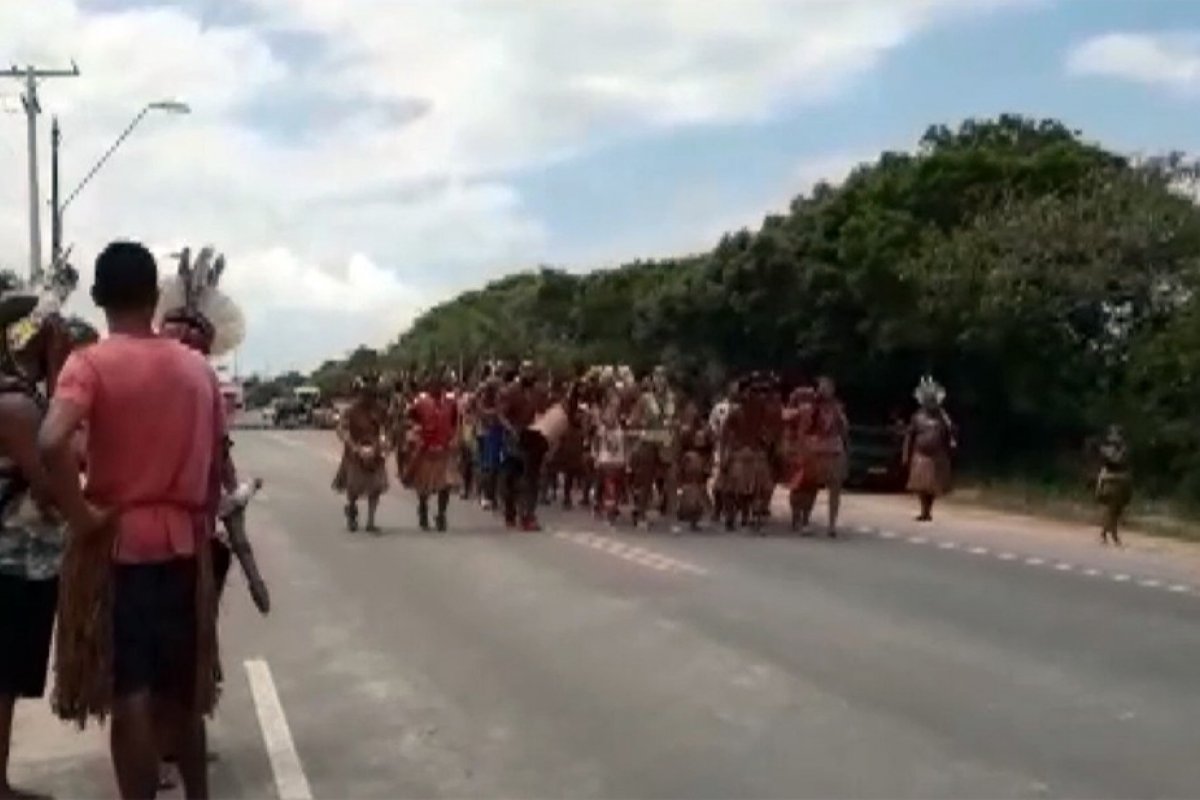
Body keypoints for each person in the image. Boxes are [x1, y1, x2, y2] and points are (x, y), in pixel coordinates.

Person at [40, 240, 225, 800]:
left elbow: (50, 439)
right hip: (184, 548)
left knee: (132, 697)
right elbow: (215, 464)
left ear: (97, 297)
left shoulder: (91, 363)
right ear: (153, 296)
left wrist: (81, 514)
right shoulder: (198, 370)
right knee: (182, 696)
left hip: (119, 550)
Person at [0, 288, 65, 800]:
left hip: (18, 554)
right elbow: (47, 483)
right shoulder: (18, 405)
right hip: (14, 558)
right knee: (4, 678)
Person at [333, 373, 389, 533]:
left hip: (375, 451)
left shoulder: (380, 410)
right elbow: (342, 430)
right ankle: (351, 509)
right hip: (355, 453)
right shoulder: (351, 411)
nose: (369, 397)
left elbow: (387, 429)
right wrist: (354, 447)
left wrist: (383, 443)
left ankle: (371, 521)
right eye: (366, 393)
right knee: (353, 488)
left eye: (372, 394)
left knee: (376, 487)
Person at [403, 373, 459, 531]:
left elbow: (455, 421)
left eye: (438, 385)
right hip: (426, 448)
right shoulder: (420, 402)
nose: (435, 388)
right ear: (427, 388)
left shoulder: (450, 402)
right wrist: (416, 428)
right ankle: (423, 510)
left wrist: (454, 436)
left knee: (445, 485)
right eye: (432, 385)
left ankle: (441, 514)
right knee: (424, 486)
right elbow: (408, 417)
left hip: (444, 448)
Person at [498, 361, 543, 531]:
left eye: (532, 371)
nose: (529, 375)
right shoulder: (511, 391)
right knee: (512, 479)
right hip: (514, 441)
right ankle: (510, 511)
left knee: (531, 479)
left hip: (533, 440)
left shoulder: (539, 392)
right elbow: (501, 415)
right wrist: (511, 430)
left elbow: (543, 412)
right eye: (526, 371)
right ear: (521, 373)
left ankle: (528, 515)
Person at [903, 376, 956, 522]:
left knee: (931, 487)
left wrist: (951, 442)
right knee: (921, 486)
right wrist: (905, 454)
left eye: (933, 400)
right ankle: (924, 510)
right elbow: (909, 435)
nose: (930, 403)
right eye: (928, 400)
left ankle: (927, 511)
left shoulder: (942, 417)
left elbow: (951, 434)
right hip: (920, 456)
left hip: (936, 456)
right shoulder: (917, 416)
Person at [802, 375, 849, 537]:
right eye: (822, 387)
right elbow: (806, 428)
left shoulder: (838, 408)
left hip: (834, 450)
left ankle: (832, 524)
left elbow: (844, 429)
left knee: (835, 489)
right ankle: (805, 520)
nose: (824, 390)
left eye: (828, 387)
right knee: (810, 488)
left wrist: (845, 446)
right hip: (816, 451)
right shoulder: (813, 408)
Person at [1095, 425, 1132, 546]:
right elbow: (1114, 461)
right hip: (1111, 480)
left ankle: (1106, 534)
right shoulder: (1108, 449)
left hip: (1119, 480)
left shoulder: (1121, 449)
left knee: (1115, 511)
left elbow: (1123, 462)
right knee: (1112, 510)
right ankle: (1111, 535)